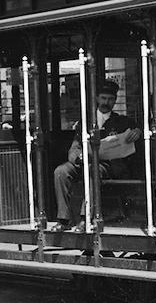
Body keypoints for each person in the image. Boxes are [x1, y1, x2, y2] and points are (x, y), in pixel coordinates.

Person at [52, 80, 142, 231]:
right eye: (103, 98)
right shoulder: (85, 122)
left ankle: (85, 218)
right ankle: (64, 219)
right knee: (60, 172)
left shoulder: (122, 122)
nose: (106, 102)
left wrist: (137, 132)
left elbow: (137, 132)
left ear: (114, 101)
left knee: (92, 171)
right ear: (97, 98)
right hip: (84, 162)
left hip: (106, 165)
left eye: (110, 99)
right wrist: (78, 157)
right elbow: (74, 148)